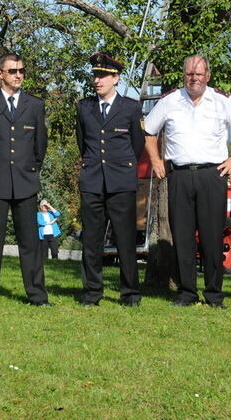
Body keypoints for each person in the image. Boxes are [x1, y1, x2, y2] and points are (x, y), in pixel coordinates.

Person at [144, 54, 231, 309]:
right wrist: (156, 161)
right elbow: (149, 131)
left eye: (199, 74)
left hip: (212, 176)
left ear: (208, 76)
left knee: (212, 236)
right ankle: (187, 293)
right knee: (182, 237)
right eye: (190, 74)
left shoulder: (222, 101)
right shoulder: (170, 101)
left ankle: (214, 294)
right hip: (179, 175)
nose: (194, 78)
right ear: (184, 76)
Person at [0, 53, 49, 306]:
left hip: (25, 181)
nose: (18, 75)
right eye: (13, 71)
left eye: (22, 70)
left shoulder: (34, 105)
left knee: (30, 243)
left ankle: (36, 294)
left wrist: (30, 169)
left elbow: (40, 146)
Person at [76, 53, 145, 306]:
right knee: (91, 242)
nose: (98, 80)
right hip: (93, 181)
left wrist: (120, 168)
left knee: (125, 240)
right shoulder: (85, 107)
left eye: (103, 75)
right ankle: (92, 292)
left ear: (116, 78)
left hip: (121, 182)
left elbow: (136, 144)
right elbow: (82, 142)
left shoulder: (130, 107)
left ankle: (130, 293)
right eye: (95, 75)